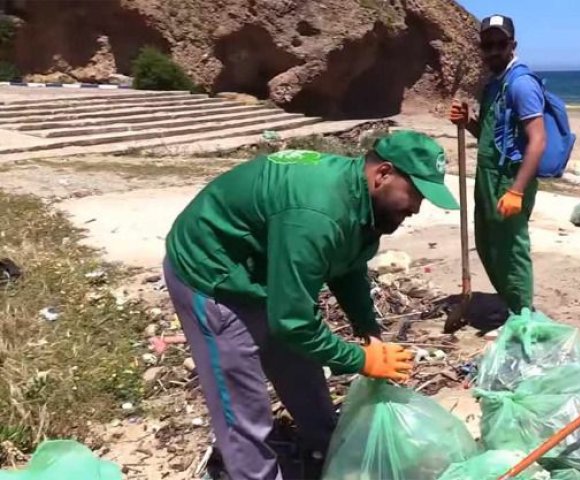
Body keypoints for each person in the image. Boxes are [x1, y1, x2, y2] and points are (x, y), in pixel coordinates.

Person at [162, 130, 460, 480]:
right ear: (383, 174)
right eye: (415, 194)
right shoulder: (316, 214)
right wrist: (360, 360)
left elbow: (348, 267)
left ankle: (330, 453)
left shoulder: (361, 201)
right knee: (243, 408)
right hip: (213, 273)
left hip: (266, 269)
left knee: (302, 371)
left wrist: (368, 331)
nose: (416, 209)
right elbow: (292, 321)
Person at [450, 14, 546, 315]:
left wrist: (516, 190)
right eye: (487, 45)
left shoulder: (521, 85)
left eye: (499, 44)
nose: (492, 51)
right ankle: (511, 306)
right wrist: (467, 122)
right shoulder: (494, 84)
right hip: (487, 176)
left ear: (512, 45)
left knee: (511, 249)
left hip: (509, 179)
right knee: (489, 244)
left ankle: (524, 316)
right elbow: (492, 136)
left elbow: (538, 140)